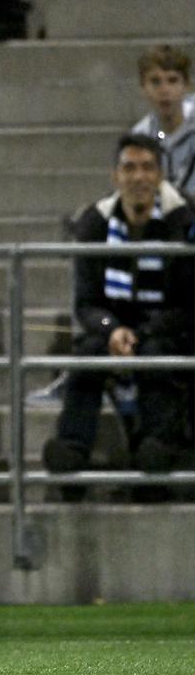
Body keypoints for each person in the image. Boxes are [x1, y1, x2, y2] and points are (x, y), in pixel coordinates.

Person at [42, 134, 194, 501]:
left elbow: (189, 303)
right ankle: (71, 451)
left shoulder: (185, 219)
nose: (138, 177)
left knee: (159, 355)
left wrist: (141, 332)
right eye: (129, 168)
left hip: (166, 327)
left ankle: (156, 447)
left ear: (160, 176)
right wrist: (112, 330)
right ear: (115, 176)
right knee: (87, 354)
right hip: (114, 326)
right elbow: (87, 303)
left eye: (147, 168)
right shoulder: (94, 223)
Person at [132, 45, 195, 200]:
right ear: (143, 88)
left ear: (186, 85)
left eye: (172, 81)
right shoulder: (140, 137)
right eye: (155, 82)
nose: (164, 90)